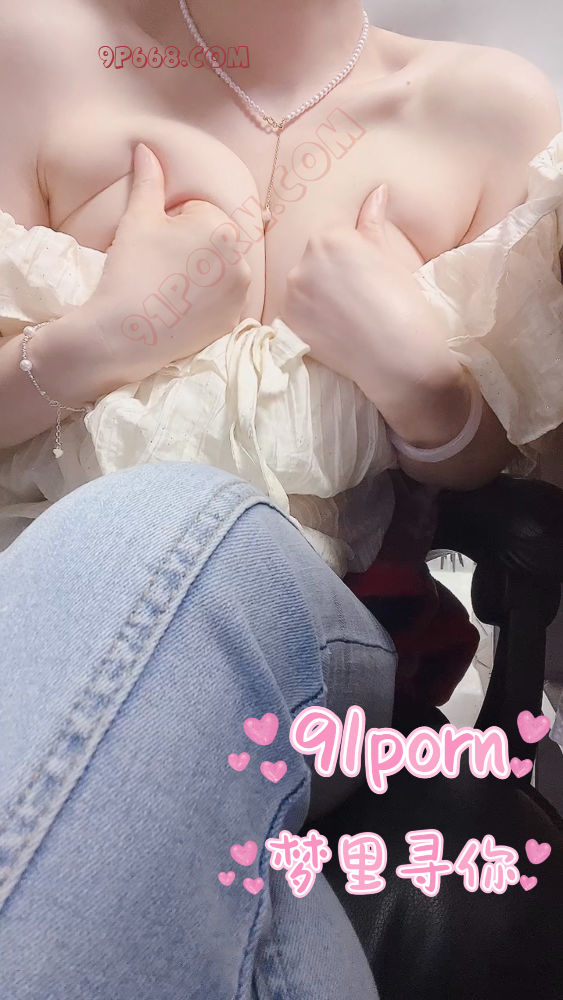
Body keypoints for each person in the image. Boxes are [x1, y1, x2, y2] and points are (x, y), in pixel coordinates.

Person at [0, 1, 562, 997]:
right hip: (25, 617)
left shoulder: (488, 111)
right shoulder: (31, 49)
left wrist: (426, 392)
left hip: (324, 653)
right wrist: (106, 338)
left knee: (165, 518)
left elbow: (532, 475)